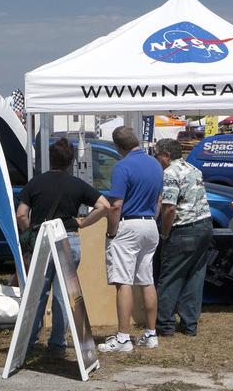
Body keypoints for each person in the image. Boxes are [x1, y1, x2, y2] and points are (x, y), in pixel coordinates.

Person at [15, 138, 111, 357]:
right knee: (63, 294)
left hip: (44, 239)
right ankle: (57, 343)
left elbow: (21, 214)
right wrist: (83, 223)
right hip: (69, 238)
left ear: (50, 158)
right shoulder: (77, 184)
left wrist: (30, 231)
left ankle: (28, 341)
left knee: (38, 292)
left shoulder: (36, 183)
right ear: (71, 161)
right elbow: (104, 206)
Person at [97, 126, 163, 353]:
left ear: (118, 147)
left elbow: (116, 205)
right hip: (149, 223)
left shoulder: (122, 166)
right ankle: (151, 333)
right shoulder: (155, 164)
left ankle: (123, 337)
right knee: (147, 279)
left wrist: (111, 231)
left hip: (129, 224)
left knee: (122, 281)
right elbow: (159, 199)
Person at [153, 139, 214, 337]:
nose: (156, 159)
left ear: (166, 156)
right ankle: (190, 324)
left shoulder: (169, 173)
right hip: (204, 226)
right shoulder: (193, 169)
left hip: (183, 229)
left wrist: (164, 232)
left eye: (157, 155)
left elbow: (169, 208)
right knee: (195, 276)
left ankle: (165, 324)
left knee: (170, 277)